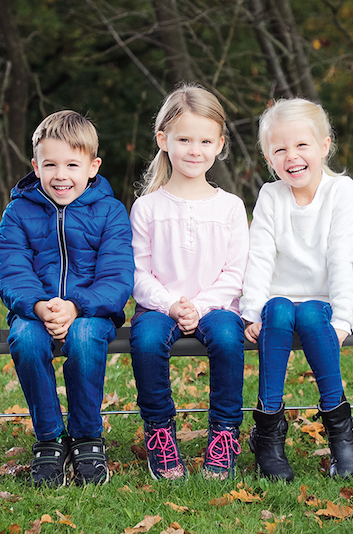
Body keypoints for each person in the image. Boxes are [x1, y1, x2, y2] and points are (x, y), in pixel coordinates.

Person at [0, 110, 134, 488]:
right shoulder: (18, 211)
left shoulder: (110, 212)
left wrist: (75, 305)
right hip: (34, 312)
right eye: (50, 164)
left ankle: (87, 437)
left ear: (92, 166)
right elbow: (10, 269)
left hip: (92, 311)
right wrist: (39, 306)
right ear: (35, 166)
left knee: (84, 338)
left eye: (72, 164)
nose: (60, 175)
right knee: (26, 338)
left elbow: (118, 277)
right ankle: (50, 438)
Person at [240, 98, 353, 481]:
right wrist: (251, 312)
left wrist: (343, 320)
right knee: (277, 308)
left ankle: (342, 429)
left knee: (310, 313)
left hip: (325, 303)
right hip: (277, 304)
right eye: (279, 149)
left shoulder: (340, 191)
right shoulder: (271, 196)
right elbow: (259, 257)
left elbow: (342, 259)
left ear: (324, 145)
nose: (291, 156)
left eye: (301, 145)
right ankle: (268, 434)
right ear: (268, 157)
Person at [129, 84, 249, 481]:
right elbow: (138, 272)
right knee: (145, 341)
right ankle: (160, 432)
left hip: (216, 307)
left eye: (204, 140)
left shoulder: (230, 206)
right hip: (159, 307)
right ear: (164, 141)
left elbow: (235, 272)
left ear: (219, 145)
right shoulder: (147, 207)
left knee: (230, 340)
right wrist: (171, 304)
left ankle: (225, 433)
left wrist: (200, 306)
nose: (194, 150)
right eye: (183, 139)